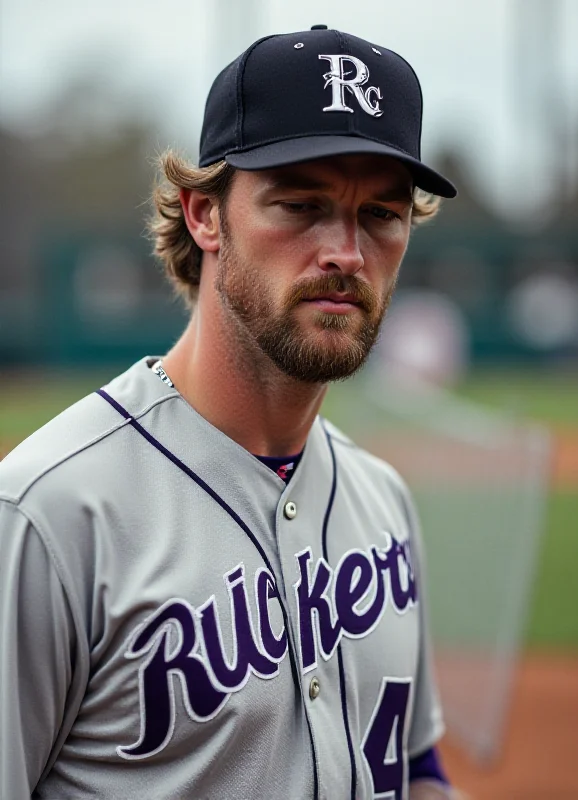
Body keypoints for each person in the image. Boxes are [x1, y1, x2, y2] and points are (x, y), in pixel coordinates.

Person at [0, 25, 462, 800]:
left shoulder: (384, 501)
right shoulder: (47, 516)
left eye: (382, 215)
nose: (346, 253)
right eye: (300, 205)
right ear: (204, 216)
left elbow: (420, 773)